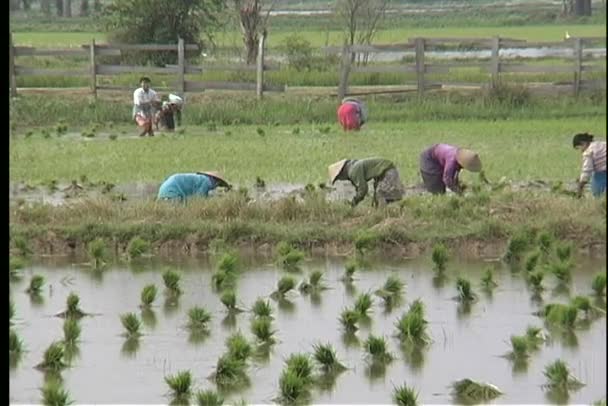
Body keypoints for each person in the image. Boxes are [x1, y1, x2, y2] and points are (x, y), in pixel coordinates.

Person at [328, 157, 404, 207]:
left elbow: (363, 189)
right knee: (378, 201)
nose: (341, 180)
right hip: (384, 172)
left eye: (339, 178)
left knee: (382, 197)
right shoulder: (354, 166)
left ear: (342, 173)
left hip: (387, 171)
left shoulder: (353, 171)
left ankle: (388, 219)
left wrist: (354, 201)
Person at [157, 171, 231, 202]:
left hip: (164, 190)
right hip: (173, 191)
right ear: (216, 181)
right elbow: (199, 198)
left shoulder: (199, 178)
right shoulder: (207, 182)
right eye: (218, 184)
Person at [572, 132, 606, 198]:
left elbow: (586, 171)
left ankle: (600, 200)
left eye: (579, 148)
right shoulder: (601, 144)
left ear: (583, 143)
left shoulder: (588, 152)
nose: (581, 151)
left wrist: (580, 186)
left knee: (597, 191)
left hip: (603, 172)